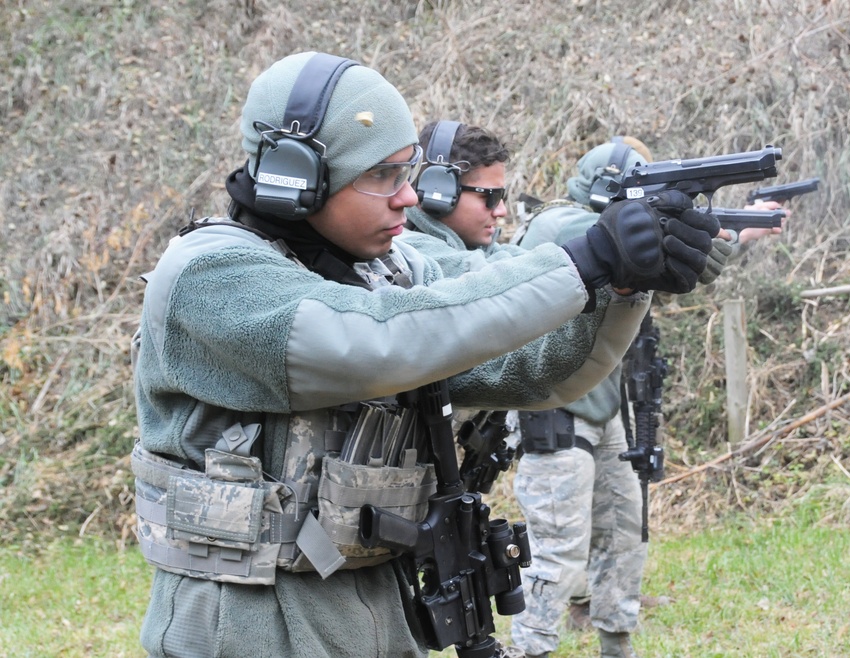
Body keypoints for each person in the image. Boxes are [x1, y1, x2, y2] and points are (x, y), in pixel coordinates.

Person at [129, 52, 722, 658]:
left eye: (407, 171)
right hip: (240, 625)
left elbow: (532, 364)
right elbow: (382, 341)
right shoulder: (209, 277)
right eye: (382, 176)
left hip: (374, 613)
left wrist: (625, 284)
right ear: (296, 172)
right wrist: (585, 260)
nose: (409, 197)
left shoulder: (389, 269)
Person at [509, 139, 787, 658]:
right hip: (556, 411)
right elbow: (609, 243)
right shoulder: (557, 223)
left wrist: (734, 229)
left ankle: (616, 642)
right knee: (555, 553)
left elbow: (663, 251)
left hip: (606, 409)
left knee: (624, 535)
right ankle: (530, 649)